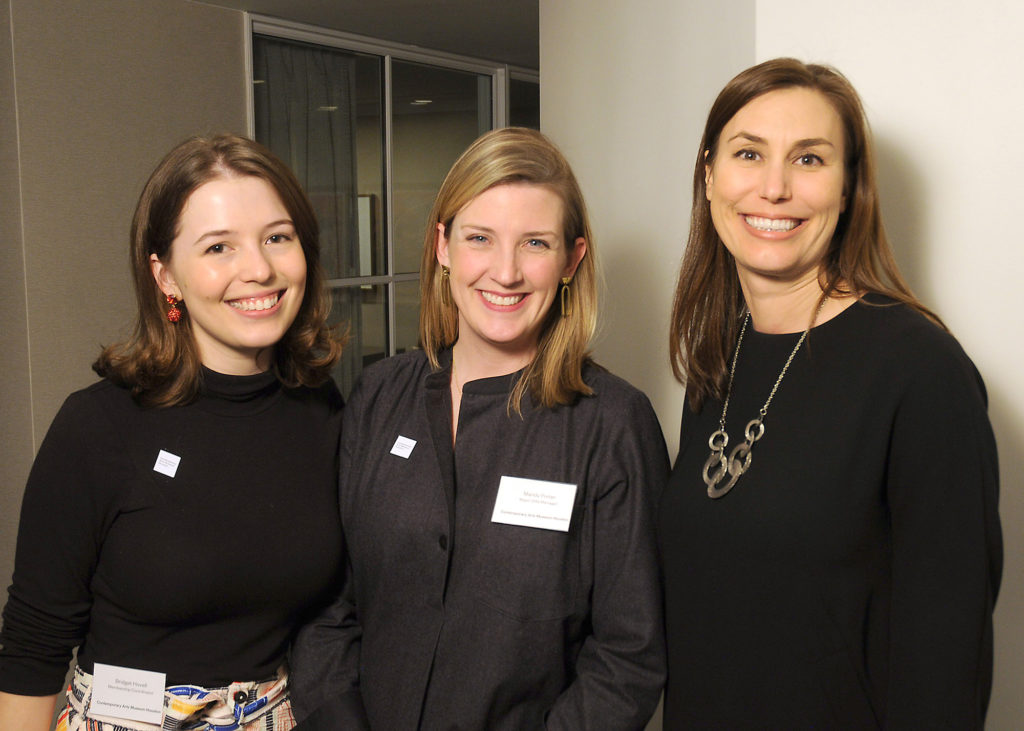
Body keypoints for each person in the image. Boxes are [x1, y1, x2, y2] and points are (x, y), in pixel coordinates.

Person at [660, 58, 1002, 728]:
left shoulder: (922, 371)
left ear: (849, 189)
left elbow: (947, 663)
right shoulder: (717, 358)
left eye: (810, 159)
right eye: (748, 152)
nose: (774, 187)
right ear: (709, 175)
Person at [291, 127, 668, 730]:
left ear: (572, 259)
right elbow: (328, 606)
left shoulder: (613, 426)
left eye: (535, 243)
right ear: (443, 246)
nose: (506, 271)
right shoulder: (378, 397)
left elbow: (629, 656)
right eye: (479, 238)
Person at [0, 134, 345, 731]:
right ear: (166, 276)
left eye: (277, 237)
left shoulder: (322, 410)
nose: (258, 269)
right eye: (218, 247)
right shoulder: (98, 426)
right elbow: (34, 643)